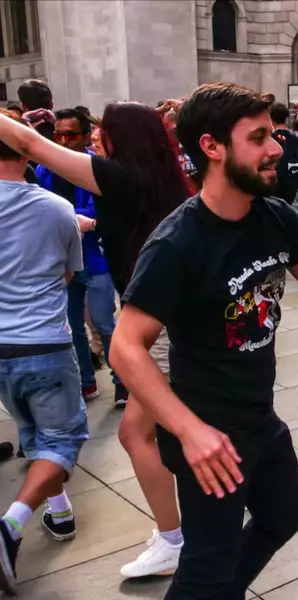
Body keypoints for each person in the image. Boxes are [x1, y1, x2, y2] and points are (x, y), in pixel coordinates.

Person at [109, 81, 298, 600]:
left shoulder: (273, 216)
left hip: (259, 418)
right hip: (209, 435)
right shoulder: (178, 242)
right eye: (259, 137)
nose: (276, 149)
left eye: (273, 134)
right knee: (205, 567)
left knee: (284, 515)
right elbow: (125, 346)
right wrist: (190, 431)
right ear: (212, 147)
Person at [0, 101, 194, 578]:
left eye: (102, 133)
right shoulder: (162, 182)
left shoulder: (119, 178)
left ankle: (174, 539)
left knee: (135, 433)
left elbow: (27, 143)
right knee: (178, 425)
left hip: (161, 327)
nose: (94, 141)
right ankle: (215, 509)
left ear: (120, 140)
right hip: (173, 321)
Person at [0, 112, 88, 596]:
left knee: (34, 435)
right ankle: (11, 523)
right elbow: (71, 275)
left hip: (1, 348)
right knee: (62, 440)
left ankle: (60, 513)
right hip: (46, 342)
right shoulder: (55, 208)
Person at [35, 108, 124, 404]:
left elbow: (104, 208)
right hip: (61, 260)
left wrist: (76, 218)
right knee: (72, 326)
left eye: (70, 135)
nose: (62, 141)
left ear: (85, 136)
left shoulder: (97, 166)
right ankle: (86, 382)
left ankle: (122, 380)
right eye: (57, 134)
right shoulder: (44, 170)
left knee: (104, 322)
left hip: (94, 258)